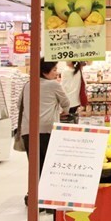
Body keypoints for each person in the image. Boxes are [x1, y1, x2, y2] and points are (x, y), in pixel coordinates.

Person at [19, 58, 70, 208]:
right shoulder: (53, 85)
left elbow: (19, 105)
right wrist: (63, 112)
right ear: (44, 71)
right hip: (48, 130)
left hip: (28, 130)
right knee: (49, 165)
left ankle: (35, 196)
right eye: (54, 70)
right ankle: (47, 198)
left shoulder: (28, 85)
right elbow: (66, 103)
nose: (56, 73)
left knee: (35, 165)